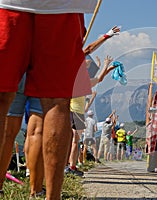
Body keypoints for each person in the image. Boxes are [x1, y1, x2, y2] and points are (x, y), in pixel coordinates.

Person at [0, 2, 97, 199]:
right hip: (61, 6)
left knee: (3, 97)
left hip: (14, 5)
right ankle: (49, 195)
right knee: (56, 101)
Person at [67, 25, 120, 175]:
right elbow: (87, 50)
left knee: (72, 141)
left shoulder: (79, 79)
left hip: (71, 110)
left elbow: (99, 79)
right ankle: (70, 167)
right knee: (74, 142)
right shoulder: (79, 78)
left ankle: (69, 166)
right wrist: (107, 35)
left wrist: (106, 67)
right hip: (75, 112)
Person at [0, 75, 45, 198]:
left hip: (17, 69)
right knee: (37, 131)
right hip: (41, 71)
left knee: (7, 133)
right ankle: (36, 190)